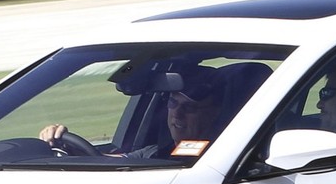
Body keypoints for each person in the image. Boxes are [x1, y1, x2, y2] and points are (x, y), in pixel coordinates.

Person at [40, 64, 227, 159]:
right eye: (173, 103)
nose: (177, 114)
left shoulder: (221, 154)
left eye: (190, 108)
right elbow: (109, 161)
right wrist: (63, 144)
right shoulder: (156, 152)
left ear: (214, 113)